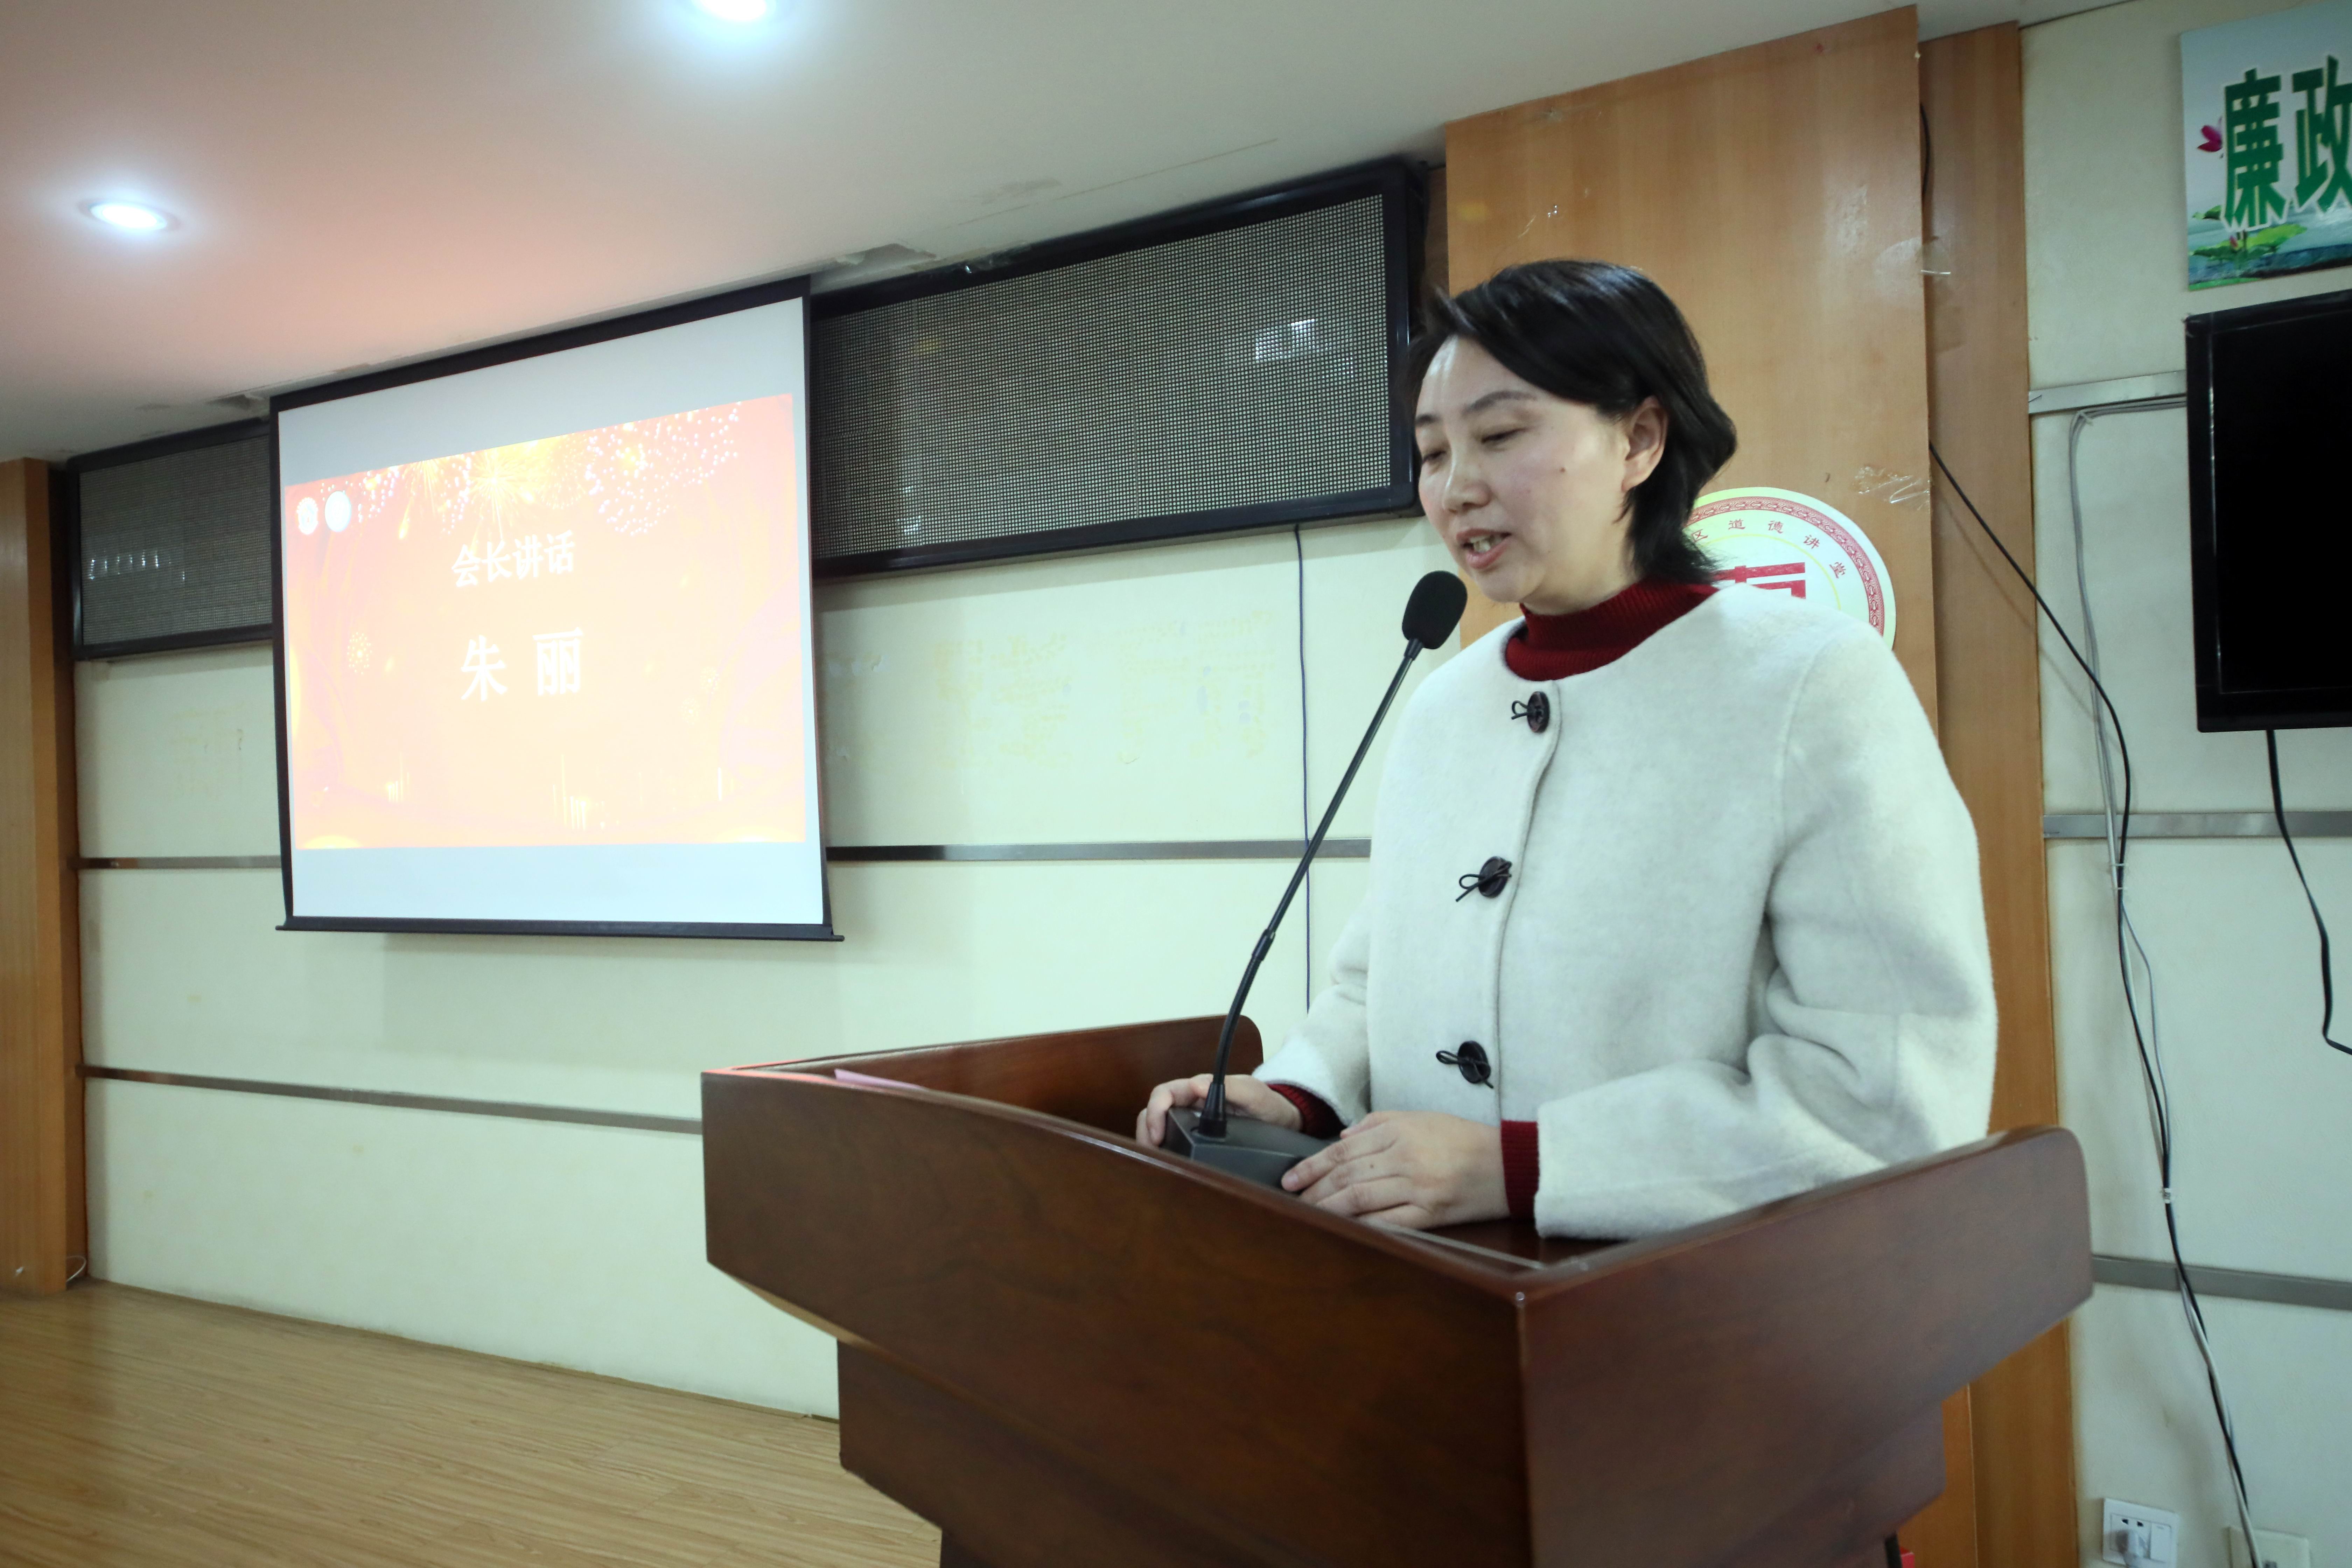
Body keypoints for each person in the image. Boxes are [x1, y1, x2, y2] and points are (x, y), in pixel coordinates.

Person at [1136, 259, 1995, 1239]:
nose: (1457, 488)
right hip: (1432, 1280)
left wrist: (1531, 1166)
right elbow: (1376, 986)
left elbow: (1887, 1092)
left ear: (1640, 439)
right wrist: (1301, 1097)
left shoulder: (1808, 681)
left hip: (1688, 1297)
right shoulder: (1446, 704)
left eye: (1501, 436)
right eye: (1431, 452)